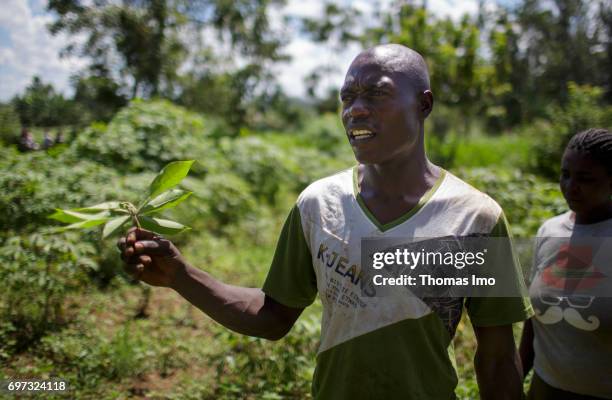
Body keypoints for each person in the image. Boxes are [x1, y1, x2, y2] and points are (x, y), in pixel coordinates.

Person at [118, 44, 532, 399]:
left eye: (376, 94)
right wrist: (180, 275)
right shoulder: (318, 204)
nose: (355, 110)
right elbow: (272, 315)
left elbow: (496, 359)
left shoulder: (475, 217)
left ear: (423, 104)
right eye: (347, 97)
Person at [519, 128, 612, 400]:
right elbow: (533, 323)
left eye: (585, 178)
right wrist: (514, 379)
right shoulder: (550, 231)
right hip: (544, 390)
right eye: (565, 174)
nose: (571, 187)